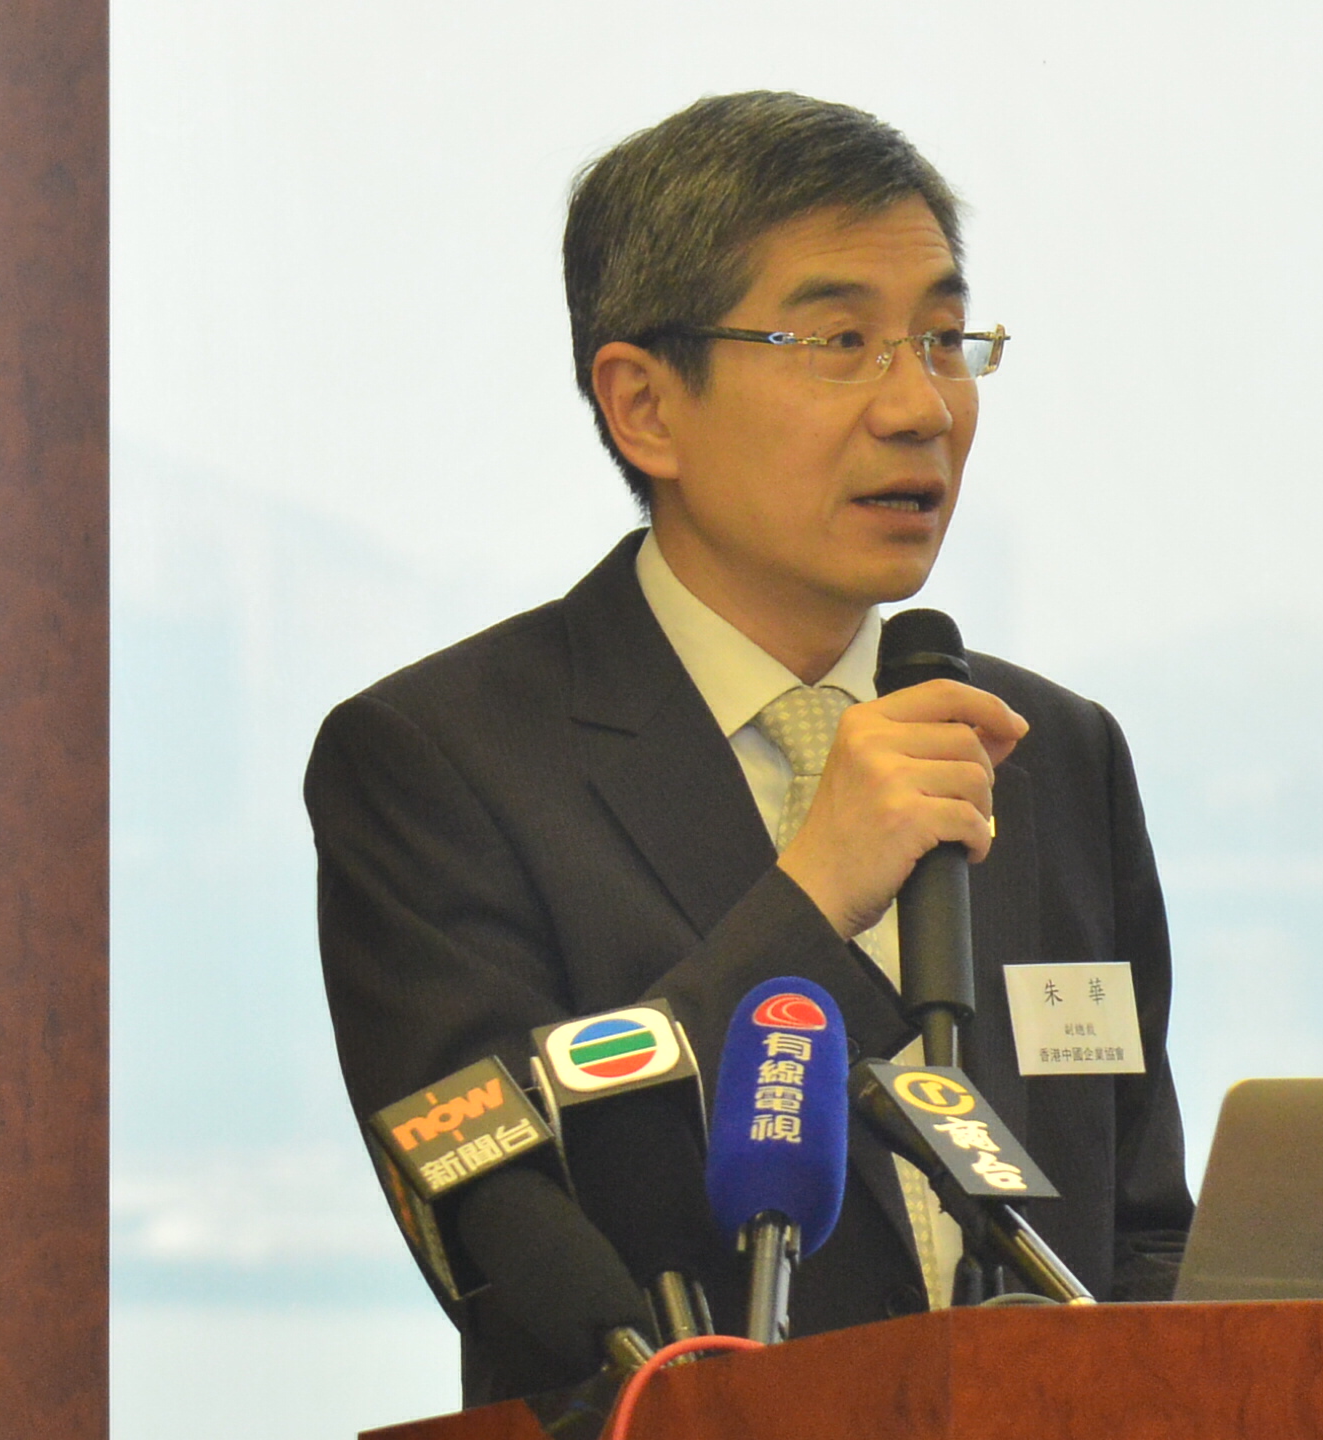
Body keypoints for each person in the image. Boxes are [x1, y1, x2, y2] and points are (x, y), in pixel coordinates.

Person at [305, 90, 1194, 1406]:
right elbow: (511, 1229)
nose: (922, 407)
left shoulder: (1047, 753)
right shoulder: (440, 762)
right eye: (841, 342)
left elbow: (1139, 1233)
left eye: (945, 339)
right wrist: (811, 900)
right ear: (645, 405)